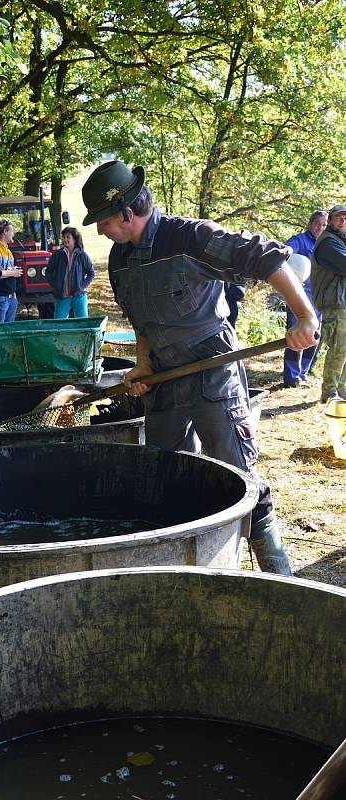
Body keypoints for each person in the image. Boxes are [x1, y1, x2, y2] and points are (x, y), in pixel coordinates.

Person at [82, 160, 319, 576]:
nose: (100, 231)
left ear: (126, 213)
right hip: (164, 381)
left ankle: (277, 572)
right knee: (164, 473)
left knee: (239, 472)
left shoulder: (189, 237)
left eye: (103, 221)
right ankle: (186, 568)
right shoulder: (120, 261)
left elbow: (266, 257)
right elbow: (141, 321)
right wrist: (142, 365)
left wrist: (305, 316)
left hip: (213, 370)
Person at [282, 211, 327, 388]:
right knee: (298, 334)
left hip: (320, 298)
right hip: (299, 298)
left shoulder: (327, 244)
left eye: (324, 225)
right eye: (317, 223)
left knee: (315, 335)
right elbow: (284, 253)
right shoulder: (299, 240)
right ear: (310, 224)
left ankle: (303, 373)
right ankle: (291, 377)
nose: (320, 228)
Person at [310, 204, 346, 403]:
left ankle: (342, 390)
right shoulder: (328, 243)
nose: (343, 221)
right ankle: (330, 392)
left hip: (342, 302)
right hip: (335, 303)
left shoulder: (340, 240)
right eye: (339, 218)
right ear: (330, 221)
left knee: (344, 348)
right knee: (339, 348)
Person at [46, 226, 95, 319]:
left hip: (79, 296)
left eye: (68, 237)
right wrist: (56, 286)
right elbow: (48, 272)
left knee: (82, 322)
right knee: (59, 324)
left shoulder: (82, 255)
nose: (65, 239)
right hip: (61, 296)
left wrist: (82, 286)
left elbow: (91, 273)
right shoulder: (57, 255)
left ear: (75, 239)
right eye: (64, 237)